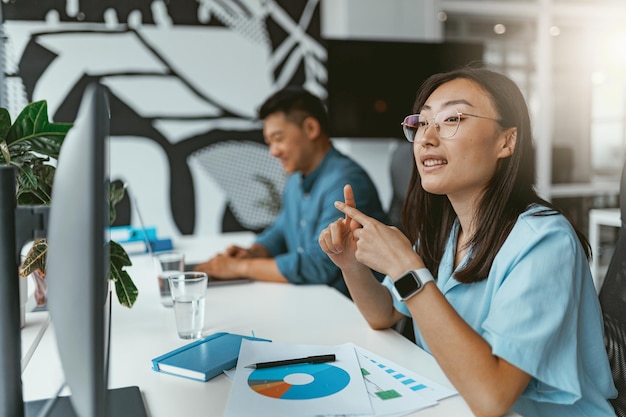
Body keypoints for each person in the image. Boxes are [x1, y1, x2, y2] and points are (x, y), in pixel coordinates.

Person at [318, 67, 617, 416]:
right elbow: (384, 312)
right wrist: (351, 265)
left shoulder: (545, 241)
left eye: (452, 118)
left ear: (507, 141)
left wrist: (406, 268)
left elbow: (492, 398)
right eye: (422, 123)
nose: (427, 137)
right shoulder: (447, 232)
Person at [195, 86, 388, 296]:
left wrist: (239, 268)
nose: (273, 151)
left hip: (348, 310)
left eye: (278, 139)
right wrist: (254, 252)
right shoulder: (296, 179)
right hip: (311, 300)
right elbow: (281, 230)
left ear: (311, 128)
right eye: (269, 142)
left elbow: (319, 265)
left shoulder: (344, 181)